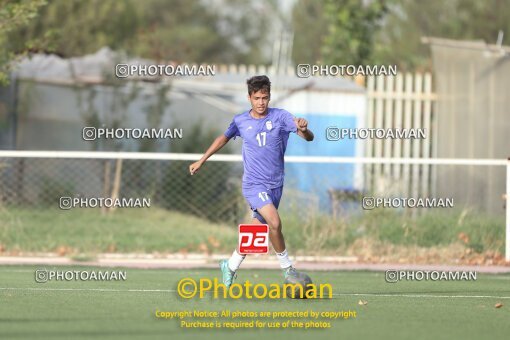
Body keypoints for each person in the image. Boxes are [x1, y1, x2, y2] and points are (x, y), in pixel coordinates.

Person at [189, 75, 314, 288]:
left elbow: (309, 137)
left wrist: (303, 129)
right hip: (254, 185)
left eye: (265, 97)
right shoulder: (240, 121)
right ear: (249, 98)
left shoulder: (281, 117)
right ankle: (288, 270)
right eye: (257, 98)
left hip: (276, 185)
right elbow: (223, 138)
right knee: (274, 223)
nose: (261, 102)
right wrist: (202, 159)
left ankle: (230, 265)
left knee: (256, 232)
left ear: (269, 97)